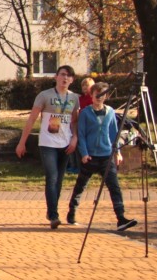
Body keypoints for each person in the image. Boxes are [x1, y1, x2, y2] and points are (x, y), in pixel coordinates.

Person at [65, 82, 139, 234]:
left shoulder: (110, 112)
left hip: (106, 156)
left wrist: (117, 151)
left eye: (103, 94)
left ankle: (121, 218)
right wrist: (84, 153)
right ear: (91, 95)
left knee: (114, 186)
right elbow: (82, 135)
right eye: (96, 94)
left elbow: (113, 133)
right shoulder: (85, 113)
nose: (99, 97)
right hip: (90, 156)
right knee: (81, 184)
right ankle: (72, 210)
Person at [14, 64, 79, 229]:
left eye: (69, 76)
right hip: (48, 143)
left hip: (65, 143)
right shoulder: (44, 95)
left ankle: (52, 211)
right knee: (52, 176)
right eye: (62, 74)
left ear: (72, 80)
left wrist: (74, 139)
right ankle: (54, 215)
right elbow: (31, 119)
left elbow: (75, 122)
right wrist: (22, 142)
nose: (65, 78)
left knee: (59, 180)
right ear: (56, 77)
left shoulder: (74, 98)